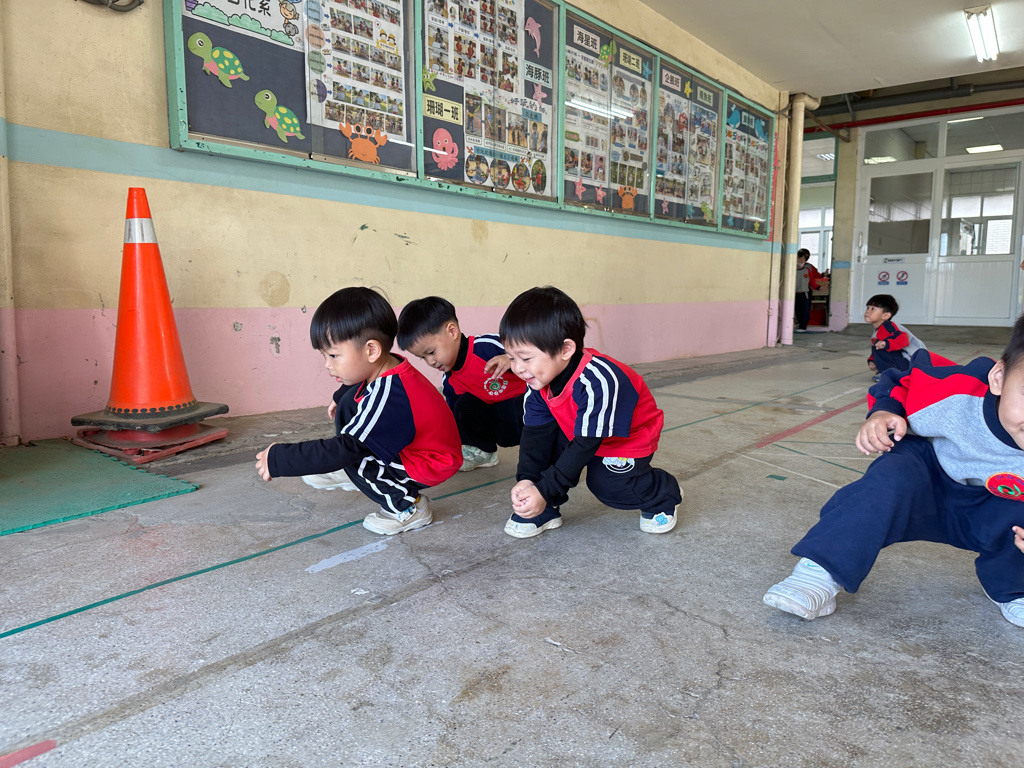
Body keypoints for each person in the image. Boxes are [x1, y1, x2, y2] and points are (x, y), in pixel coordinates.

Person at [763, 314, 1024, 628]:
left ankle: (1012, 589)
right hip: (927, 478)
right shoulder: (957, 390)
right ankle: (820, 571)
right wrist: (884, 411)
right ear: (999, 377)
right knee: (888, 479)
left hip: (993, 509)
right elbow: (904, 380)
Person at [255, 287, 461, 536]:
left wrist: (281, 459)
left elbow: (347, 447)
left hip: (431, 463)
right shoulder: (389, 366)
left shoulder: (390, 394)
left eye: (333, 355)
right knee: (348, 404)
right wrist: (339, 397)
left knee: (353, 454)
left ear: (371, 350)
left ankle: (408, 507)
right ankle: (357, 473)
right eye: (324, 355)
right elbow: (358, 386)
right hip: (420, 447)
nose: (327, 365)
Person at [498, 286, 682, 538]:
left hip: (624, 439)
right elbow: (535, 434)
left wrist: (545, 487)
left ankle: (662, 493)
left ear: (565, 349)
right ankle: (545, 508)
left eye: (526, 358)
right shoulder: (538, 381)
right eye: (511, 358)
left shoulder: (598, 380)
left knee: (607, 485)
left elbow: (586, 444)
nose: (518, 368)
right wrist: (529, 480)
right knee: (545, 445)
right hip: (580, 430)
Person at [397, 296, 526, 472]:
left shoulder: (487, 346)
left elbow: (533, 350)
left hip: (529, 409)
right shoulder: (450, 381)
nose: (431, 362)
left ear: (452, 331)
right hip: (503, 423)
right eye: (423, 357)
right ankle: (483, 452)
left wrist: (511, 358)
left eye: (432, 352)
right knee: (461, 406)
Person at [864, 293, 911, 380]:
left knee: (881, 347)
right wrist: (872, 360)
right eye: (868, 308)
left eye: (873, 309)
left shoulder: (888, 327)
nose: (868, 311)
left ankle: (890, 373)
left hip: (908, 363)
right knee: (878, 346)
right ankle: (887, 372)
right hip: (901, 363)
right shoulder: (878, 330)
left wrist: (886, 343)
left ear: (886, 315)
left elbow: (903, 339)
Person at [794, 248, 821, 332]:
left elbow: (812, 281)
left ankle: (803, 326)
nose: (801, 260)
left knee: (805, 310)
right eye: (799, 258)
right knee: (797, 310)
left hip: (805, 293)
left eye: (803, 258)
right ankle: (800, 324)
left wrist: (818, 287)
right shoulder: (791, 270)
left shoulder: (808, 270)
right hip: (794, 294)